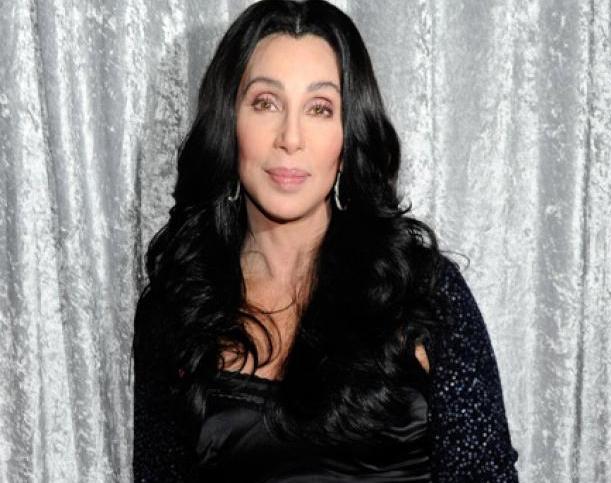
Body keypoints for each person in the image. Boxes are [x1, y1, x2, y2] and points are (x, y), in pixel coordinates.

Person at [132, 0, 520, 481]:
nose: (291, 137)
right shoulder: (176, 309)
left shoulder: (423, 293)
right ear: (228, 123)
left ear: (348, 136)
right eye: (266, 103)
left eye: (319, 108)